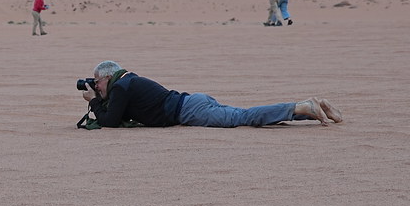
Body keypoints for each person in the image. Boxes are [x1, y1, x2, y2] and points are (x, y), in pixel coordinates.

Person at [80, 60, 343, 128]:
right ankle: (313, 109)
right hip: (193, 102)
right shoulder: (127, 81)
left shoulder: (121, 87)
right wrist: (99, 99)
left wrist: (93, 101)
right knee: (243, 115)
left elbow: (110, 121)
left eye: (97, 82)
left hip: (189, 111)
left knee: (244, 118)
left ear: (107, 77)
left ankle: (300, 107)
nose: (96, 86)